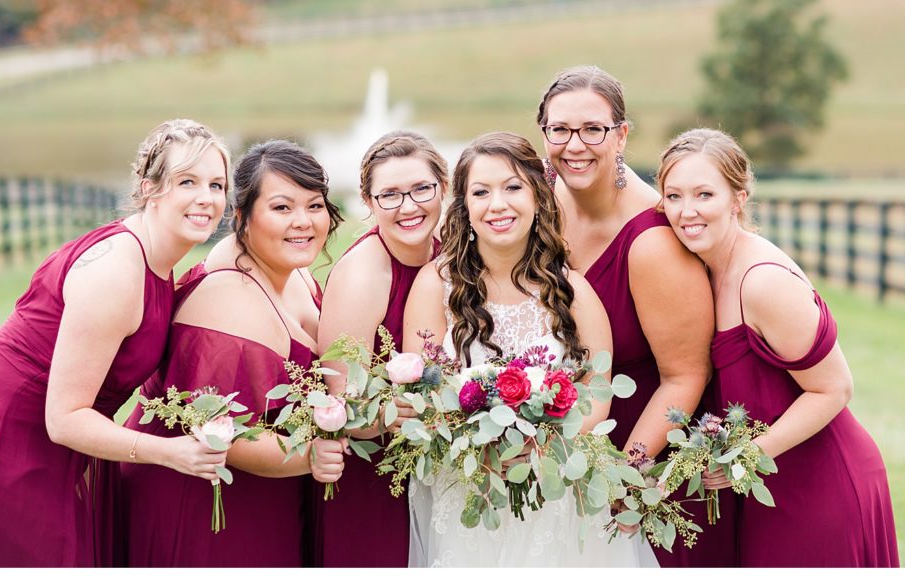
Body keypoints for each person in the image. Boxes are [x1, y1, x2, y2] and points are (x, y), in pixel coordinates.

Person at [0, 119, 233, 567]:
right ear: (149, 189)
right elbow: (64, 419)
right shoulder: (117, 272)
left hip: (36, 438)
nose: (207, 198)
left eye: (217, 184)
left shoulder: (160, 260)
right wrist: (172, 452)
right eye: (188, 181)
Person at [402, 132, 657, 567]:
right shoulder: (435, 284)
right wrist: (479, 450)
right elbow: (422, 389)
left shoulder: (572, 291)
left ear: (538, 197)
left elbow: (597, 386)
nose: (497, 204)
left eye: (513, 187)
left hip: (556, 489)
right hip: (469, 486)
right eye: (481, 192)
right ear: (464, 206)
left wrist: (543, 449)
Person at [657, 128, 899, 567]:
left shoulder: (763, 282)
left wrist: (740, 459)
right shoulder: (703, 270)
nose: (686, 211)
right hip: (763, 487)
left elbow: (834, 389)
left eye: (704, 194)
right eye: (673, 196)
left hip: (821, 484)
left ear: (739, 198)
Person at [118, 140, 348, 567]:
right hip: (206, 508)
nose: (303, 222)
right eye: (281, 208)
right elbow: (222, 431)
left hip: (260, 497)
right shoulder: (227, 298)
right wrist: (311, 453)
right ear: (242, 217)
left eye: (314, 206)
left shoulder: (290, 270)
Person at [535, 66, 729, 566]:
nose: (574, 145)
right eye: (560, 129)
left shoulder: (653, 240)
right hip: (545, 455)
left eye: (592, 129)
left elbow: (686, 375)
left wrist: (629, 475)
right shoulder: (535, 210)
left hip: (633, 451)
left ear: (621, 136)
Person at [312, 131, 448, 567]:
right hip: (372, 474)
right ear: (368, 203)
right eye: (389, 195)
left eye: (421, 189)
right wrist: (400, 410)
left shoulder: (448, 253)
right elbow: (339, 404)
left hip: (436, 466)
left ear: (442, 188)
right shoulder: (363, 274)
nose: (408, 207)